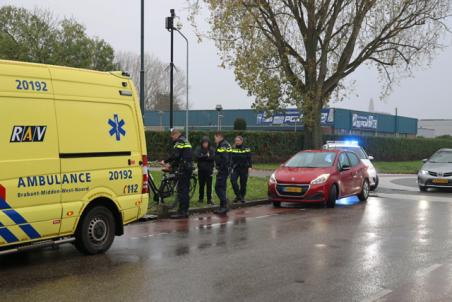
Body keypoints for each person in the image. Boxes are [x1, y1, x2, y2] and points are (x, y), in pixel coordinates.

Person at [162, 129, 193, 219]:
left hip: (184, 168)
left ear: (176, 134)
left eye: (172, 136)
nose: (172, 138)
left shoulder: (180, 141)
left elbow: (176, 155)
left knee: (182, 190)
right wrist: (172, 165)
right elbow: (181, 156)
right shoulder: (185, 140)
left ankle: (182, 212)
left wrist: (166, 161)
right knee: (185, 190)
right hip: (188, 167)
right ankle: (184, 210)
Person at [213, 132, 232, 215]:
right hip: (225, 169)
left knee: (218, 187)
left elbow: (225, 158)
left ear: (219, 137)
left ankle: (224, 205)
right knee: (222, 187)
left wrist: (220, 168)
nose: (214, 140)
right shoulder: (224, 144)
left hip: (223, 170)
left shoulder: (223, 145)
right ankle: (222, 207)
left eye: (215, 138)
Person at [231, 136, 252, 203]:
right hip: (236, 168)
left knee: (243, 183)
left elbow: (249, 158)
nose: (237, 142)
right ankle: (238, 195)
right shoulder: (233, 148)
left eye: (238, 140)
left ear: (241, 141)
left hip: (244, 168)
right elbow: (231, 158)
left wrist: (250, 167)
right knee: (233, 181)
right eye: (236, 140)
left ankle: (242, 197)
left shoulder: (246, 148)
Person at [194, 136, 215, 206]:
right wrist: (206, 156)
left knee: (209, 185)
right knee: (201, 185)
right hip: (201, 170)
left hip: (209, 170)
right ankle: (200, 199)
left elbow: (212, 158)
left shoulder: (211, 149)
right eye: (204, 143)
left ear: (208, 143)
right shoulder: (198, 149)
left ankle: (209, 200)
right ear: (201, 143)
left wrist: (202, 157)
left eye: (206, 143)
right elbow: (196, 157)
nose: (205, 144)